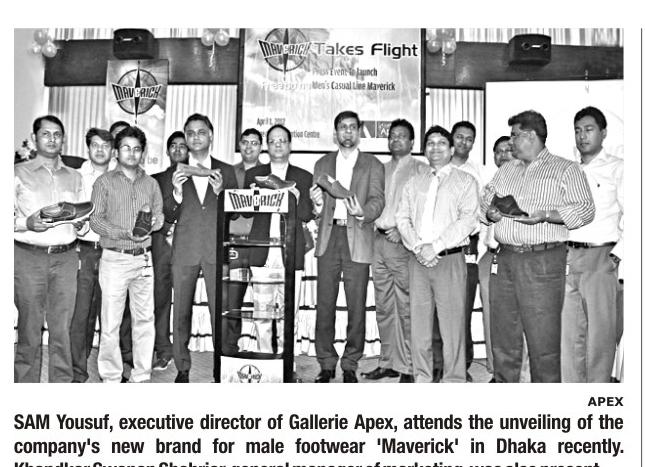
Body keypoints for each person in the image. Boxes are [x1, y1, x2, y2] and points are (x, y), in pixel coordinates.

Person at [481, 110, 594, 383]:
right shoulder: (506, 169)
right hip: (505, 258)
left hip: (543, 260)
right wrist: (490, 213)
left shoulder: (565, 169)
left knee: (543, 340)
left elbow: (585, 209)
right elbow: (485, 200)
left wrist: (546, 215)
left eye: (514, 135)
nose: (510, 141)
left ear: (531, 135)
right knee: (503, 334)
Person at [396, 125, 479, 383]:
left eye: (441, 143)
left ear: (451, 149)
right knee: (419, 326)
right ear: (424, 149)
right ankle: (422, 378)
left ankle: (454, 380)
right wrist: (418, 247)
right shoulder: (414, 182)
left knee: (452, 327)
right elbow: (402, 218)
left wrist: (436, 246)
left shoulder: (465, 181)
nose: (435, 147)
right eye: (430, 143)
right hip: (418, 260)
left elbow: (468, 221)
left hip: (449, 260)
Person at [310, 110, 385, 383]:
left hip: (359, 237)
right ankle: (326, 362)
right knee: (324, 304)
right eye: (343, 127)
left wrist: (364, 212)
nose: (348, 131)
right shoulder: (322, 163)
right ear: (336, 133)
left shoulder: (373, 164)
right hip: (329, 239)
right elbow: (316, 210)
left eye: (353, 127)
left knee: (356, 306)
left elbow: (378, 200)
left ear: (359, 131)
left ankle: (351, 363)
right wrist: (317, 204)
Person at [167, 113, 237, 383]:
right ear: (185, 138)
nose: (195, 137)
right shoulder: (175, 171)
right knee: (180, 312)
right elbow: (167, 215)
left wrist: (222, 195)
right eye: (190, 132)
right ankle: (182, 367)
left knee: (220, 311)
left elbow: (236, 214)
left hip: (215, 248)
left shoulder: (226, 171)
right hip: (185, 249)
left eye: (201, 132)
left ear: (211, 136)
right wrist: (175, 193)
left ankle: (221, 367)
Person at [90, 126, 164, 383]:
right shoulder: (104, 182)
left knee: (145, 320)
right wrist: (125, 233)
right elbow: (95, 221)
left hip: (144, 259)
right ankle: (111, 378)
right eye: (126, 148)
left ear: (143, 152)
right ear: (116, 152)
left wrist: (154, 223)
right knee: (110, 323)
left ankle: (141, 376)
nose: (131, 153)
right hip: (115, 259)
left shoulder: (151, 184)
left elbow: (159, 215)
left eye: (136, 149)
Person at [14, 115, 85, 382]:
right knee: (29, 328)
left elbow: (82, 217)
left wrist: (82, 226)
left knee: (62, 328)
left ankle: (61, 386)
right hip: (28, 258)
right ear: (34, 138)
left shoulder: (75, 177)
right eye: (46, 134)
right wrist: (26, 223)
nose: (52, 139)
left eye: (57, 134)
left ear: (63, 140)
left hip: (66, 259)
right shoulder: (17, 173)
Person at [561, 106, 623, 383]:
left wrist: (617, 256)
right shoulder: (568, 170)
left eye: (589, 129)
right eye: (577, 130)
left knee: (600, 334)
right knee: (568, 332)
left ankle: (597, 392)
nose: (582, 136)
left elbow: (635, 214)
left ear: (603, 133)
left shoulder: (618, 167)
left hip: (601, 255)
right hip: (568, 254)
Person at [363, 119, 425, 383]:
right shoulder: (380, 168)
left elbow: (425, 210)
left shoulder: (421, 170)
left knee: (406, 306)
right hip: (377, 242)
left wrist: (404, 230)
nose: (396, 140)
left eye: (402, 136)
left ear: (412, 142)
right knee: (384, 306)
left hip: (402, 244)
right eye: (392, 136)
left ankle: (409, 366)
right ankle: (388, 361)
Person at [243, 124, 314, 354]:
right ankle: (264, 358)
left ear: (290, 145)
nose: (277, 145)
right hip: (262, 250)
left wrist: (297, 199)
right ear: (267, 146)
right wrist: (252, 197)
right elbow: (246, 213)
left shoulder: (303, 176)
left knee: (289, 312)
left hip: (291, 251)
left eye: (282, 140)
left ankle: (286, 361)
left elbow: (307, 215)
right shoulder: (254, 175)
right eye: (273, 141)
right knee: (262, 311)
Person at [432, 120, 482, 382]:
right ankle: (437, 363)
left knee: (461, 310)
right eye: (459, 137)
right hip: (435, 248)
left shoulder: (476, 174)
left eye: (469, 138)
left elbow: (476, 216)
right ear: (451, 142)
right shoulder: (434, 170)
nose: (464, 142)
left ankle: (463, 365)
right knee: (435, 313)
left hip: (466, 248)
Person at [69, 128, 113, 382]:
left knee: (109, 315)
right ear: (88, 148)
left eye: (105, 146)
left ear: (112, 150)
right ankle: (77, 370)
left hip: (112, 251)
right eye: (95, 145)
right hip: (84, 250)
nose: (100, 150)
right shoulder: (76, 177)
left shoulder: (120, 177)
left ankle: (111, 371)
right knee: (81, 313)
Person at [150, 131, 189, 371]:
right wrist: (167, 230)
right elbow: (153, 212)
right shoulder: (154, 180)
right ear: (167, 151)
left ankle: (181, 349)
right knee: (160, 300)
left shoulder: (199, 178)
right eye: (173, 146)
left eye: (182, 146)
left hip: (188, 248)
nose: (177, 150)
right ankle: (163, 350)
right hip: (162, 246)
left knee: (184, 302)